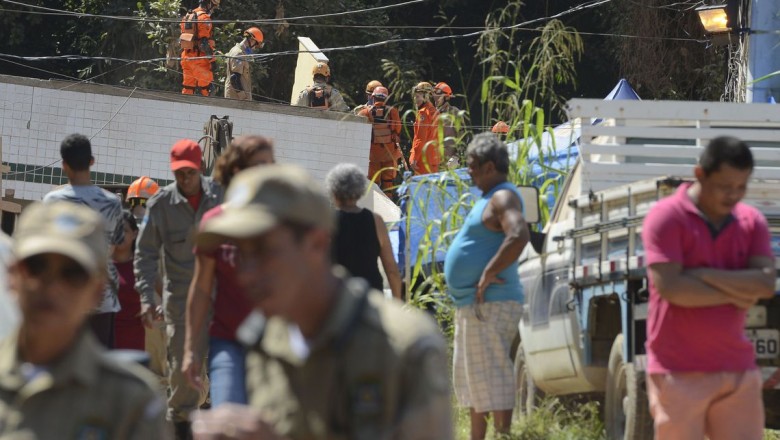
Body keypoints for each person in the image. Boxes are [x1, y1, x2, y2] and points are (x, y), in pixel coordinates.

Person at [191, 164, 452, 439]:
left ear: (316, 244)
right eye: (240, 253)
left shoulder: (404, 346)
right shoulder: (263, 341)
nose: (245, 274)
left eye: (264, 251)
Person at [641, 136, 775, 440]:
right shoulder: (666, 218)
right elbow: (673, 288)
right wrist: (742, 291)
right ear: (700, 174)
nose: (734, 195)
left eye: (741, 187)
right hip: (677, 371)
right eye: (725, 186)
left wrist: (701, 274)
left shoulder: (751, 221)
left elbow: (766, 283)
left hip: (737, 371)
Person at [0, 201, 168, 439]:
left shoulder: (129, 400)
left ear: (97, 292)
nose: (52, 287)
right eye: (36, 267)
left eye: (72, 273)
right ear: (12, 276)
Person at [134, 139, 223, 439]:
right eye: (178, 173)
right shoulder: (161, 205)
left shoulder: (220, 198)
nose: (183, 179)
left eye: (189, 172)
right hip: (181, 304)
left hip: (221, 301)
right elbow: (144, 254)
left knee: (221, 371)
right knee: (183, 378)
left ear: (199, 167)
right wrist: (147, 298)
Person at [443, 133, 530, 440]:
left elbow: (519, 234)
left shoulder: (503, 196)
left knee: (493, 374)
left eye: (473, 166)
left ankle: (503, 435)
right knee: (474, 380)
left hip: (492, 301)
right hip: (476, 305)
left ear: (490, 166)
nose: (469, 171)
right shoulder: (487, 197)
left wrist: (489, 273)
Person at [183, 135, 275, 408]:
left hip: (274, 346)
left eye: (270, 165)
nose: (266, 172)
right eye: (259, 164)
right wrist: (190, 349)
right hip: (228, 343)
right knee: (229, 420)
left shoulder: (281, 223)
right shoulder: (215, 223)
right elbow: (201, 288)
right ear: (237, 170)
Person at [43, 133, 125, 349]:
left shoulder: (52, 202)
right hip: (101, 297)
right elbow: (115, 249)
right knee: (99, 373)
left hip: (64, 298)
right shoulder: (112, 203)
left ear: (63, 165)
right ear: (91, 161)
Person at [326, 163, 402, 300]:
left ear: (334, 192)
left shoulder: (328, 222)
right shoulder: (376, 221)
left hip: (339, 300)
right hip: (372, 298)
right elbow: (391, 270)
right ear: (361, 190)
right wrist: (397, 306)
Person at [357, 86, 403, 195]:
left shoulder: (365, 112)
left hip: (373, 155)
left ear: (373, 97)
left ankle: (375, 208)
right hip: (389, 153)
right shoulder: (393, 112)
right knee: (388, 182)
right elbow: (398, 129)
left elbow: (358, 128)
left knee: (374, 184)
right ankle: (389, 208)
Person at [114, 211, 144, 350]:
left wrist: (158, 309)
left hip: (134, 341)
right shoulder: (101, 265)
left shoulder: (142, 265)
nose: (119, 234)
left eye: (124, 230)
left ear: (135, 233)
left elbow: (165, 294)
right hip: (103, 341)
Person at [179, 0, 219, 96]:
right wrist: (212, 60)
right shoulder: (204, 18)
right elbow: (203, 43)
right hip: (199, 59)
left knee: (188, 88)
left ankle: (185, 109)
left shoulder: (187, 16)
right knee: (207, 90)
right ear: (209, 4)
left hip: (186, 57)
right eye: (213, 6)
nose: (213, 9)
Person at [224, 27, 264, 101]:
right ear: (251, 40)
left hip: (239, 100)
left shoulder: (242, 53)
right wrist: (243, 97)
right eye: (256, 45)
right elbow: (234, 79)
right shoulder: (238, 53)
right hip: (236, 100)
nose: (255, 48)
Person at [409, 81, 440, 175]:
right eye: (415, 96)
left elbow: (420, 138)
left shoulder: (423, 113)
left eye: (418, 96)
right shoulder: (435, 111)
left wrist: (414, 158)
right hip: (434, 158)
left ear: (425, 96)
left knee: (421, 188)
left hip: (423, 159)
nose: (415, 99)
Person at [434, 82, 461, 165]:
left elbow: (463, 136)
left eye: (438, 95)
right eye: (434, 95)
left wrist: (457, 157)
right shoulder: (432, 114)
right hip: (434, 162)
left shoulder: (454, 112)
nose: (435, 98)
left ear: (446, 97)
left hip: (450, 163)